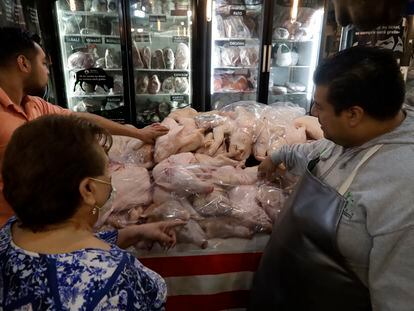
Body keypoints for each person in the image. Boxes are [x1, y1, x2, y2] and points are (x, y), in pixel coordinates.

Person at [249, 46, 414, 310]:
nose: (313, 113)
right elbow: (311, 152)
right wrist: (277, 156)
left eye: (320, 106)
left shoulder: (403, 188)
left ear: (353, 114)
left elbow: (399, 299)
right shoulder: (348, 137)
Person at [0, 114, 184, 309]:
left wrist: (136, 232)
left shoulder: (9, 233)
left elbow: (63, 253)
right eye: (107, 170)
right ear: (88, 190)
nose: (111, 178)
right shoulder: (116, 279)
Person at [0, 27, 168, 225]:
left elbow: (80, 118)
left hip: (45, 221)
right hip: (9, 229)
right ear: (23, 63)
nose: (48, 69)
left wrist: (137, 133)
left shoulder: (34, 104)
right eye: (43, 63)